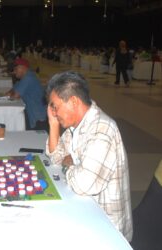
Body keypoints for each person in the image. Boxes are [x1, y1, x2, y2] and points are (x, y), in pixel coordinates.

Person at [45, 71, 133, 241]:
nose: (54, 112)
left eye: (55, 107)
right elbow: (56, 157)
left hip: (107, 229)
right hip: (84, 209)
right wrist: (53, 123)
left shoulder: (102, 130)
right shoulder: (77, 124)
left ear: (73, 102)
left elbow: (84, 184)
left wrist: (68, 165)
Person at [6, 58, 47, 131]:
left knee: (35, 141)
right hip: (33, 114)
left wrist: (14, 93)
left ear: (23, 67)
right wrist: (13, 93)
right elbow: (9, 93)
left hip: (38, 118)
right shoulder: (23, 79)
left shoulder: (28, 78)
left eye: (16, 69)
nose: (14, 72)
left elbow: (14, 96)